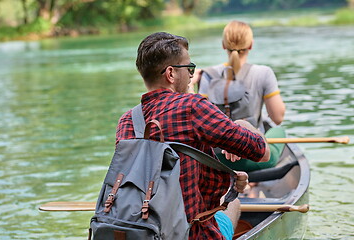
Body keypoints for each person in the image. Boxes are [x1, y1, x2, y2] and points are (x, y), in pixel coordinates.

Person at [116, 32, 270, 239]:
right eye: (189, 68)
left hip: (141, 232)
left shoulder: (127, 120)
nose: (191, 75)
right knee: (232, 201)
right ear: (170, 74)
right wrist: (243, 124)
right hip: (193, 234)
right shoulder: (193, 107)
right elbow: (261, 152)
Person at [189, 20, 286, 172]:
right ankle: (252, 181)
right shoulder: (264, 73)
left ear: (223, 45)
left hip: (216, 159)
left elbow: (199, 118)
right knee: (280, 131)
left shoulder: (208, 75)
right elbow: (277, 118)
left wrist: (191, 85)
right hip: (253, 158)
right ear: (251, 45)